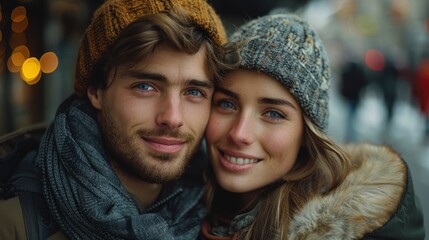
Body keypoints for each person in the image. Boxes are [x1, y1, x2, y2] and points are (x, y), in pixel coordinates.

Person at [0, 0, 235, 239]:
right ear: (96, 91)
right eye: (145, 87)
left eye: (194, 92)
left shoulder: (223, 211)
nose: (172, 118)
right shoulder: (14, 222)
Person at [200, 14, 425, 239]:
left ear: (307, 136)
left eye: (273, 113)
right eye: (227, 104)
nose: (240, 133)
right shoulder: (185, 203)